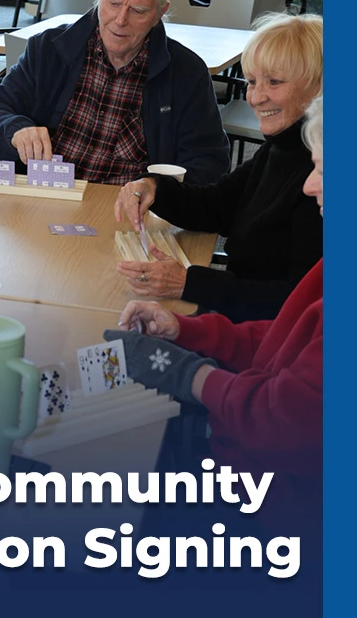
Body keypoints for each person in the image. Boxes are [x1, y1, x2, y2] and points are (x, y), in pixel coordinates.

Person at [105, 93, 323, 527]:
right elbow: (285, 337)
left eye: (324, 170)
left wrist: (184, 372)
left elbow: (277, 418)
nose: (309, 184)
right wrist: (185, 331)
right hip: (249, 453)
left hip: (275, 509)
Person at [114, 12, 322, 323]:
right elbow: (216, 206)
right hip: (240, 322)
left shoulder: (319, 180)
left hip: (262, 339)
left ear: (318, 86)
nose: (255, 97)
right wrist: (153, 186)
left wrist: (189, 282)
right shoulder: (282, 146)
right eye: (251, 81)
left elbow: (296, 307)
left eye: (274, 82)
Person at [0, 0, 230, 187]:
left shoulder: (188, 74)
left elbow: (210, 162)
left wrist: (159, 186)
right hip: (47, 193)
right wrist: (15, 128)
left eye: (138, 10)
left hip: (126, 208)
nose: (120, 21)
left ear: (159, 14)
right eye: (113, 3)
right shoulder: (50, 49)